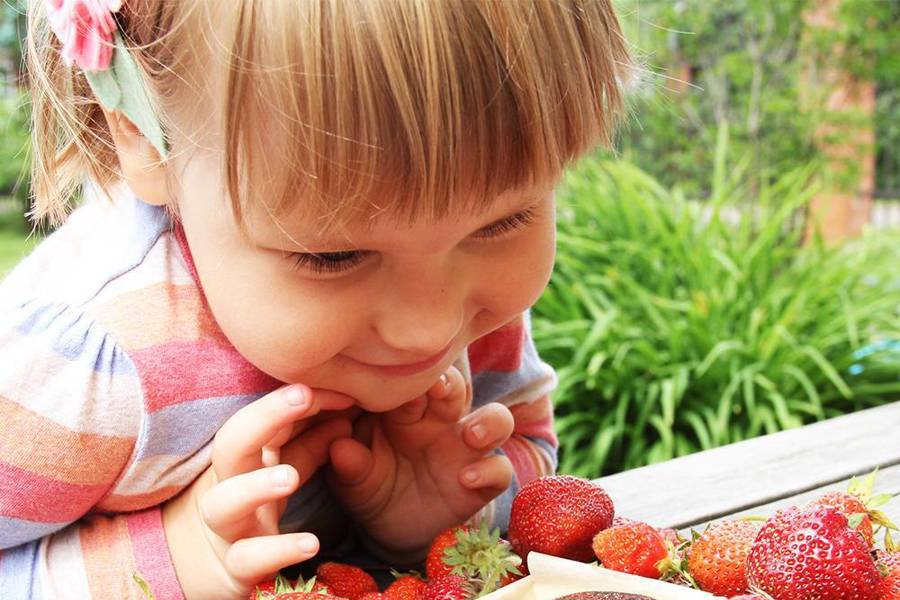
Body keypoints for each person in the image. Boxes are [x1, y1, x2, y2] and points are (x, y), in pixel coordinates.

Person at [0, 1, 632, 598]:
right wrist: (178, 558)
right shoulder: (82, 370)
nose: (428, 327)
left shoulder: (475, 307)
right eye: (332, 257)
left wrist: (440, 517)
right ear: (142, 136)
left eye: (503, 223)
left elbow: (530, 450)